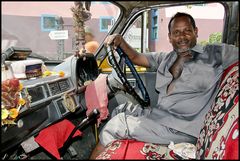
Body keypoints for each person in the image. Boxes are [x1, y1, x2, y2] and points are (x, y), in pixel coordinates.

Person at [90, 12, 238, 159]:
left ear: (196, 32)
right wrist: (121, 41)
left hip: (182, 129)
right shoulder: (166, 58)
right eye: (176, 32)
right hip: (160, 117)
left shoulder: (215, 53)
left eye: (187, 31)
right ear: (170, 37)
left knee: (117, 125)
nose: (182, 37)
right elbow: (136, 57)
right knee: (121, 109)